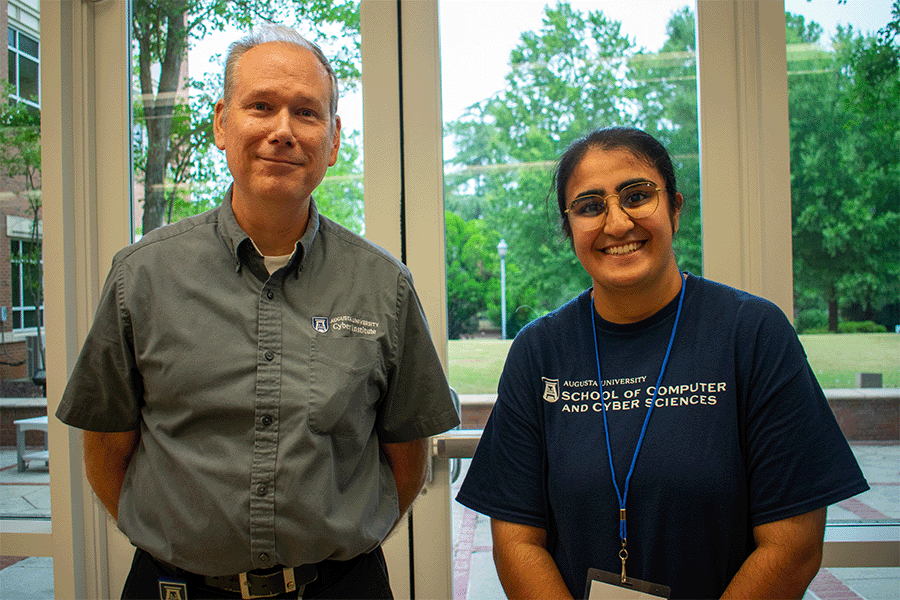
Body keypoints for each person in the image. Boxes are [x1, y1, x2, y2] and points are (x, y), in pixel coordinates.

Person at [56, 25, 459, 600]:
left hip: (340, 587)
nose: (282, 131)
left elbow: (406, 456)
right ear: (223, 123)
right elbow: (106, 448)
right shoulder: (141, 276)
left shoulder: (382, 286)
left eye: (307, 113)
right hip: (176, 588)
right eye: (261, 107)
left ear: (334, 137)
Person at [456, 126, 868, 600]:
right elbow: (516, 542)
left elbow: (793, 545)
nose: (616, 223)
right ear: (570, 228)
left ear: (674, 207)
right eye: (590, 207)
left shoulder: (752, 334)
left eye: (637, 196)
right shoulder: (539, 351)